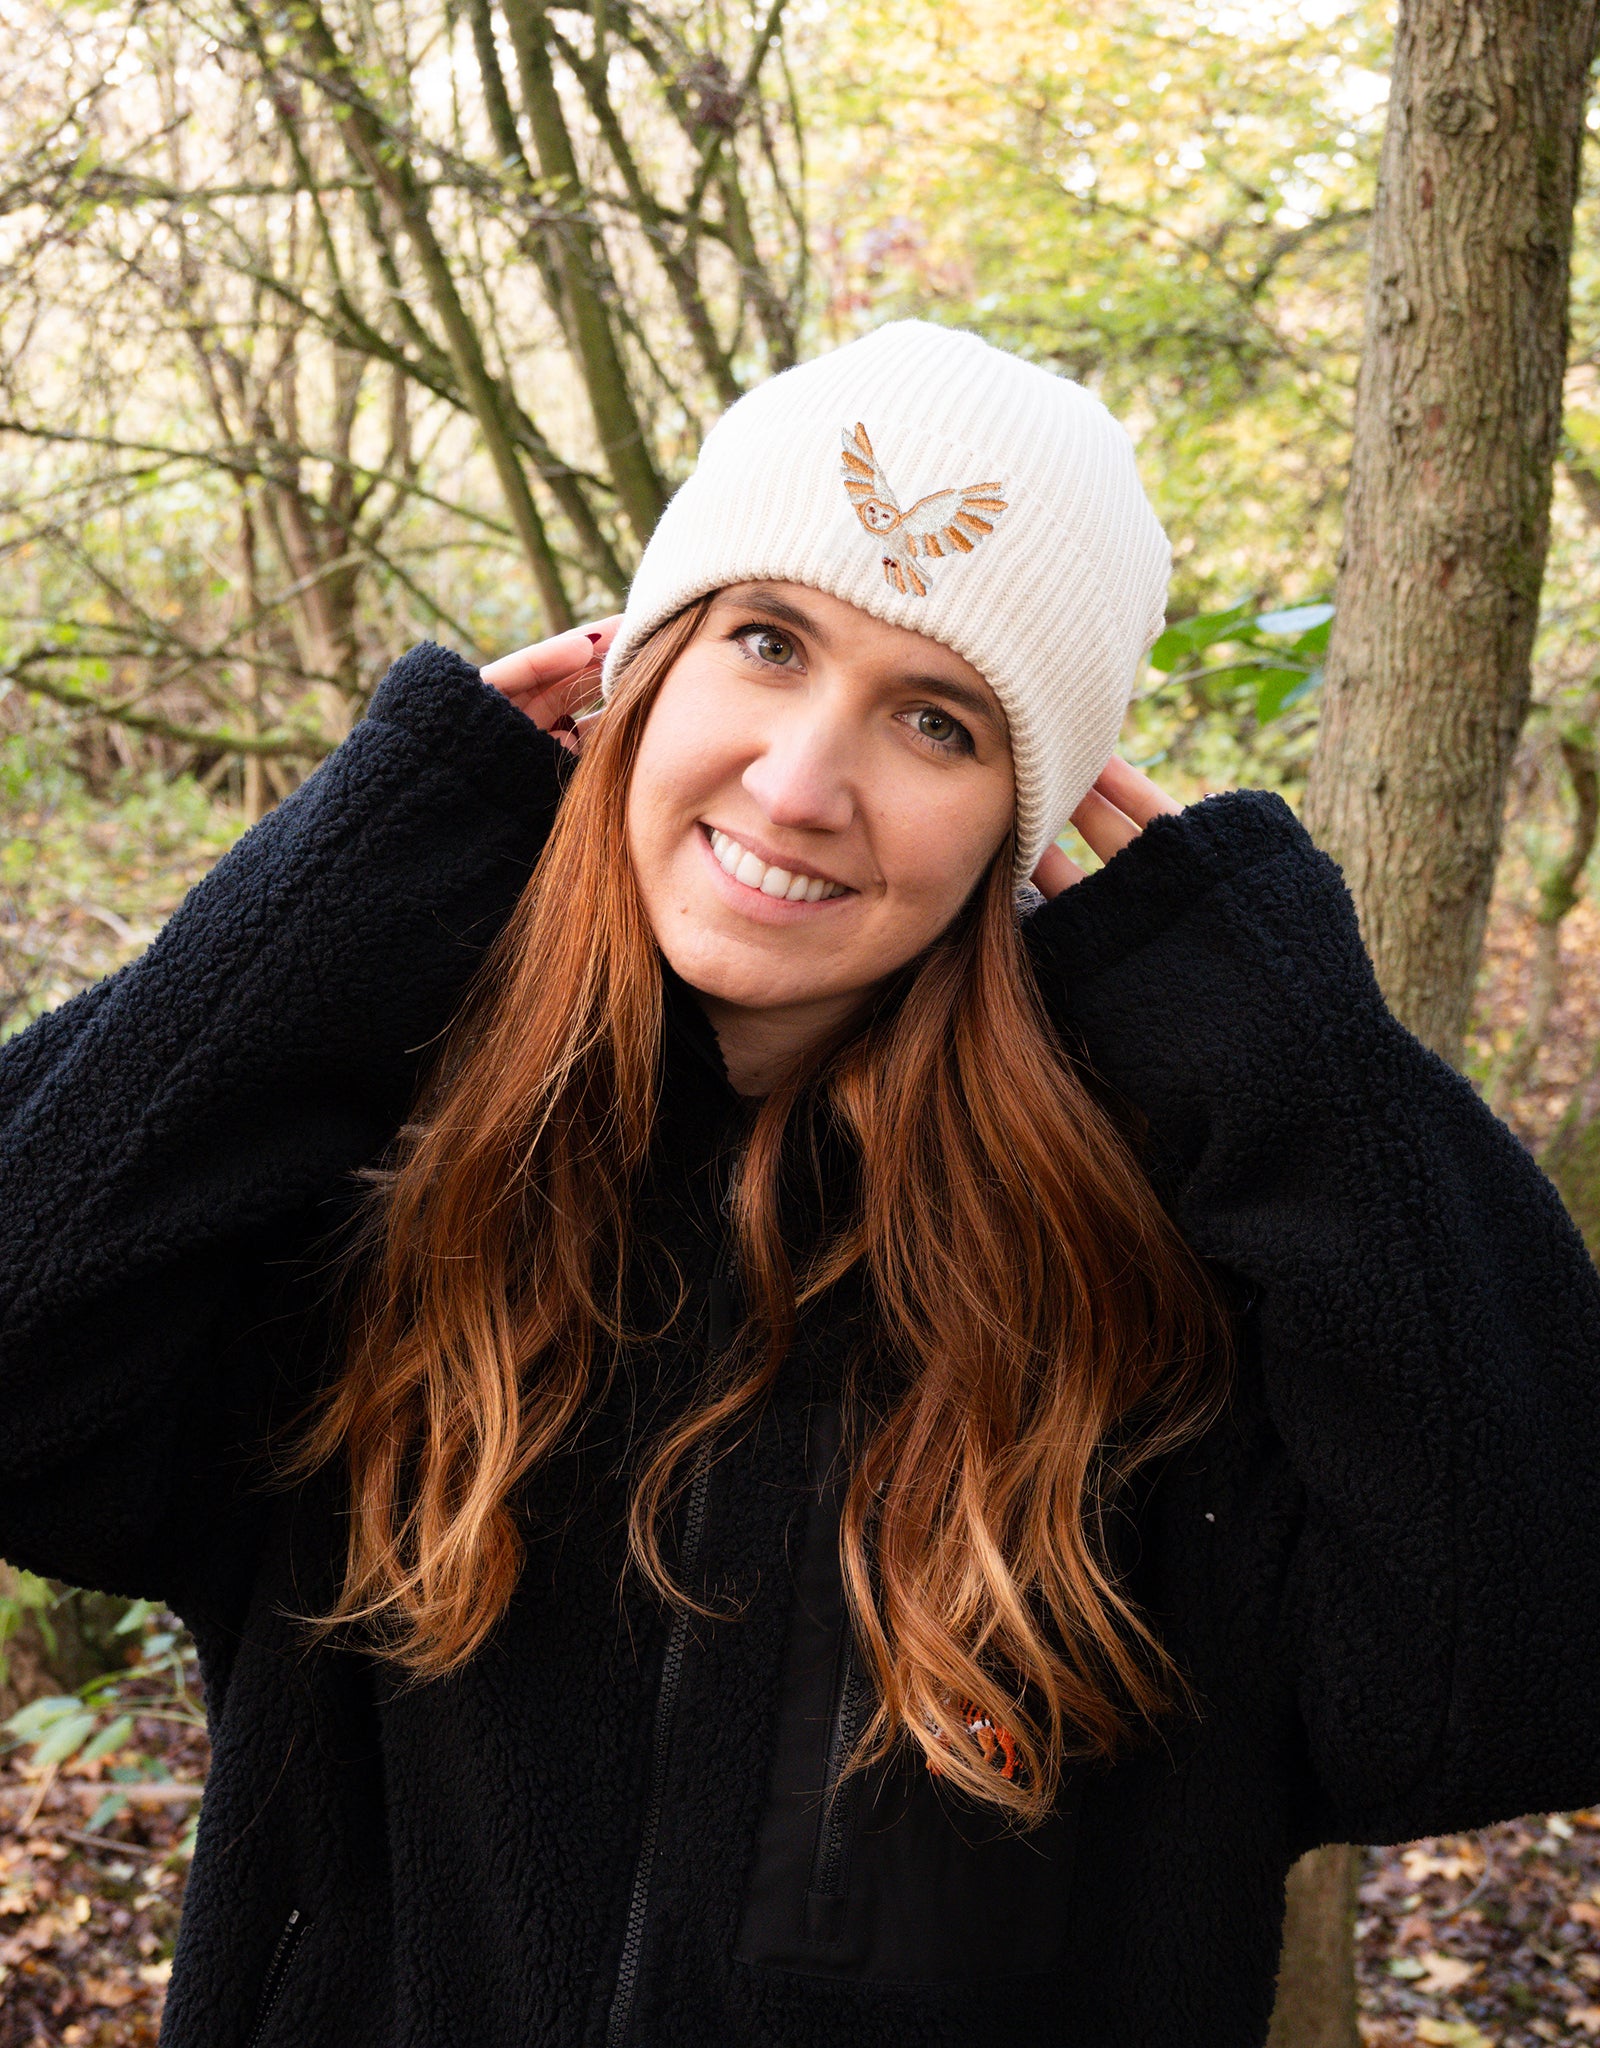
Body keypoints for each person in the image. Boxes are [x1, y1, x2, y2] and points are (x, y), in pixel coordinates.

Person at [1, 321, 1597, 2048]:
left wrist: (1298, 1066)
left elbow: (1517, 1669)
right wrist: (362, 873)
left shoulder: (1140, 1313)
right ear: (634, 674)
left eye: (938, 721)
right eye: (766, 644)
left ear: (1025, 824)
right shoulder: (375, 1207)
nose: (803, 782)